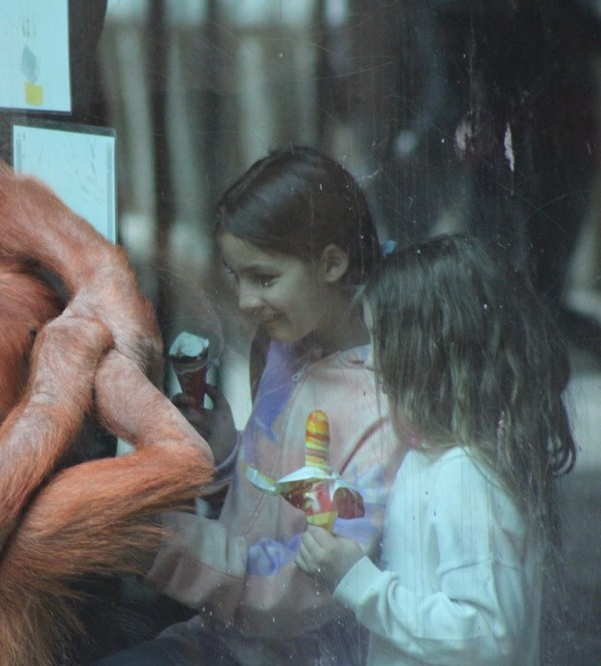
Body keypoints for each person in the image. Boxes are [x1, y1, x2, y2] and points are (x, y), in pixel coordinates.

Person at [95, 146, 407, 665]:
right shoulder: (281, 345)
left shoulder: (383, 405)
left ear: (332, 263)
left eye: (264, 278)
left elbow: (311, 584)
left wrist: (158, 542)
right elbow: (267, 507)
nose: (243, 302)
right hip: (223, 632)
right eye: (237, 278)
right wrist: (223, 455)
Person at [295, 234, 577, 664]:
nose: (371, 362)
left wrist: (358, 581)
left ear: (428, 356)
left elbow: (487, 637)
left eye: (381, 341)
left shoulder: (465, 477)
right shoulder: (428, 459)